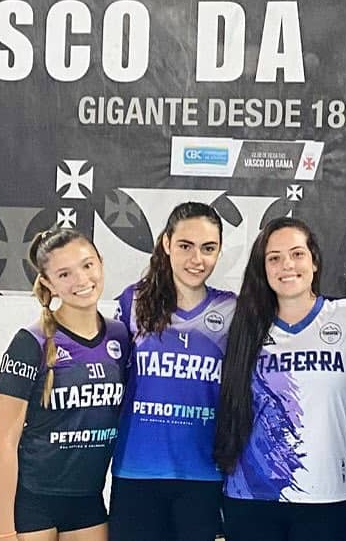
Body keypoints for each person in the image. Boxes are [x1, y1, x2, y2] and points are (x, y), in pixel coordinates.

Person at [212, 216, 346, 541]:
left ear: (314, 261)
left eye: (297, 254)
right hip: (251, 497)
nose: (286, 265)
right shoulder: (241, 323)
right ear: (263, 268)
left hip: (326, 496)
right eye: (274, 258)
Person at [0, 227, 130, 541]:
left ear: (101, 263)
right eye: (64, 274)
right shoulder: (30, 342)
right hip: (30, 500)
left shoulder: (121, 336)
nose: (81, 279)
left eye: (87, 265)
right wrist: (4, 532)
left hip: (87, 498)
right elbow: (4, 442)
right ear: (48, 283)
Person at [109, 202, 234, 541]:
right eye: (185, 246)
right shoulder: (133, 302)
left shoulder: (231, 309)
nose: (197, 259)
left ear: (219, 251)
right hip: (136, 471)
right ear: (166, 243)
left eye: (208, 248)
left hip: (203, 474)